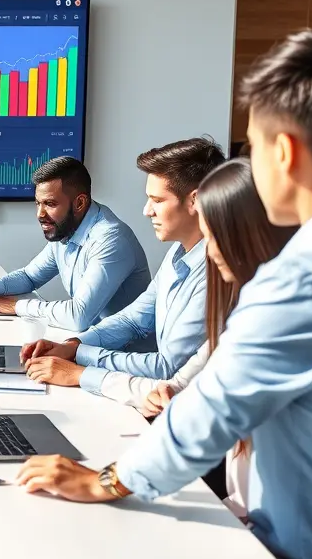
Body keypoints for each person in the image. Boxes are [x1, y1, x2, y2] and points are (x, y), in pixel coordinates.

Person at [15, 30, 312, 559]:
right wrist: (77, 348)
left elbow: (210, 406)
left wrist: (108, 480)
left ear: (285, 152)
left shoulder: (308, 274)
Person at [28, 158, 296, 506]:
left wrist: (107, 481)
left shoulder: (273, 319)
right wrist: (78, 353)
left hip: (281, 540)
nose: (210, 253)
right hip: (246, 505)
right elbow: (177, 386)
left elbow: (197, 415)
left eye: (215, 237)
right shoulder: (244, 311)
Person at [21, 138, 226, 392]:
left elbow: (167, 368)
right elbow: (134, 319)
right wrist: (73, 345)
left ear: (195, 200)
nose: (147, 210)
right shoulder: (178, 253)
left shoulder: (215, 273)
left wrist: (79, 364)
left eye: (157, 200)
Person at [0, 156, 150, 332]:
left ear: (79, 203)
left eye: (50, 204)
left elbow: (78, 316)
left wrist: (16, 306)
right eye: (37, 203)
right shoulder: (67, 229)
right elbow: (30, 277)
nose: (40, 214)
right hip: (90, 342)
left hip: (123, 356)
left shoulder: (110, 239)